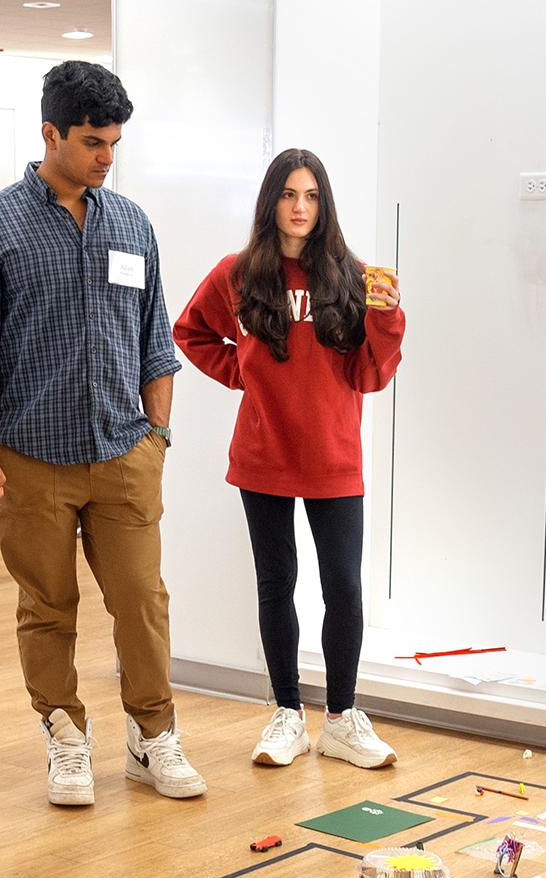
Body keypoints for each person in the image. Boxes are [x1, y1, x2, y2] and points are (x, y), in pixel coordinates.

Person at [0, 61, 203, 809]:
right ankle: (65, 735)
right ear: (50, 133)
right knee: (48, 608)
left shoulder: (132, 223)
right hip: (30, 460)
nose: (106, 157)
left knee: (142, 602)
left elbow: (156, 339)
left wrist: (156, 437)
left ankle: (153, 738)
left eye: (115, 142)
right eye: (92, 141)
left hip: (125, 452)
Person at [175, 149, 406, 770]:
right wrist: (242, 374)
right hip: (264, 455)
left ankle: (341, 718)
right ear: (270, 200)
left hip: (335, 458)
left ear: (324, 204)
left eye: (311, 196)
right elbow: (190, 332)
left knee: (344, 590)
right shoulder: (239, 274)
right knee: (276, 585)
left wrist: (387, 321)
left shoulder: (354, 277)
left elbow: (370, 375)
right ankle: (285, 715)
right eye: (288, 195)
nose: (300, 208)